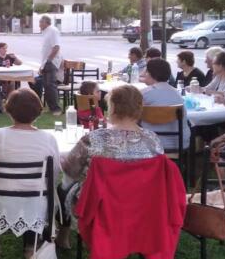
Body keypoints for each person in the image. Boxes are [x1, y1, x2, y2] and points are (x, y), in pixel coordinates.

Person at [0, 88, 62, 259]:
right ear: (38, 111)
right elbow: (54, 175)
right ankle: (30, 247)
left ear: (9, 110)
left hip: (2, 200)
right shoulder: (48, 138)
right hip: (36, 201)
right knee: (35, 194)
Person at [61, 84, 164, 218]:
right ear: (140, 108)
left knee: (64, 188)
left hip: (99, 206)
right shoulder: (153, 140)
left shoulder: (93, 139)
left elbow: (70, 171)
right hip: (141, 203)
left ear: (113, 108)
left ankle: (62, 228)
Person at [141, 58, 190, 151]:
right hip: (180, 143)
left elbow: (131, 118)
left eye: (146, 72)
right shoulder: (177, 93)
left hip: (151, 145)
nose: (144, 74)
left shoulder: (144, 93)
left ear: (150, 74)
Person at [38, 14, 63, 115]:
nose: (39, 24)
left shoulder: (53, 30)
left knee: (51, 86)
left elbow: (56, 47)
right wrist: (42, 65)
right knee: (46, 86)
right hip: (46, 62)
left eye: (40, 22)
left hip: (51, 62)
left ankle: (56, 109)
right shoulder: (45, 32)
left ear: (45, 22)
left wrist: (49, 60)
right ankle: (50, 107)